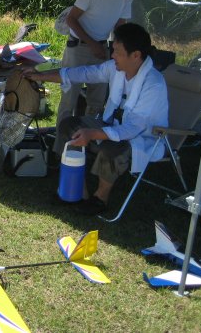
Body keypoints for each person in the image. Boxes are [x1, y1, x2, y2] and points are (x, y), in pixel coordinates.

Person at [24, 23, 168, 215]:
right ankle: (77, 191)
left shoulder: (153, 84)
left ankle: (100, 199)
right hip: (112, 125)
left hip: (143, 137)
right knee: (68, 125)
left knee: (112, 148)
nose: (112, 55)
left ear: (136, 55)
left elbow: (132, 129)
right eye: (113, 50)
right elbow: (82, 73)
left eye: (117, 52)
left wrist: (93, 133)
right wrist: (39, 76)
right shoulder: (116, 69)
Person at [54, 0, 135, 153]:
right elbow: (71, 19)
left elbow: (120, 26)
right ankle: (60, 150)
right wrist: (92, 44)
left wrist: (119, 50)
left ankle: (88, 149)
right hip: (78, 47)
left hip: (101, 48)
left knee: (97, 103)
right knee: (69, 101)